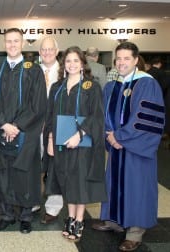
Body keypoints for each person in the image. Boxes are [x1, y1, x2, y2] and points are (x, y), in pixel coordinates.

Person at [93, 42, 165, 251]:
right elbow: (103, 115)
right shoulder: (113, 85)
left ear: (135, 60)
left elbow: (144, 119)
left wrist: (121, 137)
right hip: (116, 146)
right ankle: (113, 220)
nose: (121, 62)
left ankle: (135, 231)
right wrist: (110, 136)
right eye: (118, 58)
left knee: (137, 187)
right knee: (114, 183)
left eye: (126, 58)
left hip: (136, 149)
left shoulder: (146, 84)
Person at [0, 28, 47, 234]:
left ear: (22, 44)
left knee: (25, 174)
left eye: (16, 41)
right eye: (8, 41)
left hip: (25, 133)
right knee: (3, 173)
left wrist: (17, 126)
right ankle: (7, 215)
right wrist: (4, 124)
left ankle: (26, 216)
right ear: (4, 44)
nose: (12, 45)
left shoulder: (33, 70)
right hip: (1, 132)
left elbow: (37, 104)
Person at [45, 46, 106, 242]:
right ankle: (70, 217)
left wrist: (79, 135)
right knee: (67, 180)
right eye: (68, 61)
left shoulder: (91, 86)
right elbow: (51, 116)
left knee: (80, 181)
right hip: (61, 142)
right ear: (64, 64)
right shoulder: (57, 87)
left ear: (82, 64)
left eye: (75, 61)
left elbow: (96, 115)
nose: (71, 64)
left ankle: (79, 220)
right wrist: (51, 139)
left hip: (83, 142)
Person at [35, 36, 64, 224]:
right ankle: (34, 201)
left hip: (56, 128)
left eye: (50, 49)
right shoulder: (32, 71)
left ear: (57, 51)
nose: (47, 52)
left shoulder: (65, 72)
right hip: (34, 128)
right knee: (33, 164)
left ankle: (53, 208)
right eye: (43, 49)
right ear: (39, 52)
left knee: (55, 167)